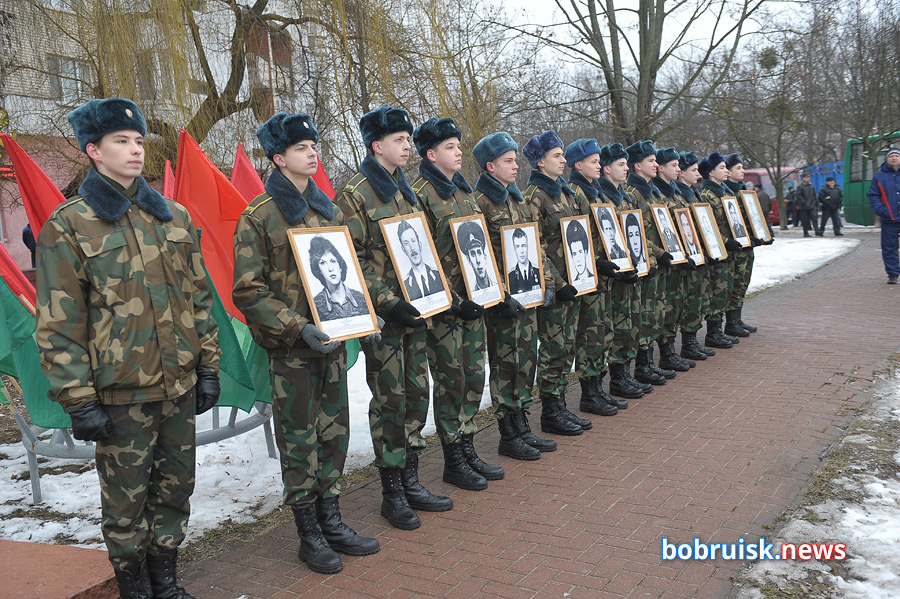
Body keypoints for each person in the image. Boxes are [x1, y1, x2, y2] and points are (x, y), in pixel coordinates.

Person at [36, 98, 221, 599]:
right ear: (93, 150)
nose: (136, 150)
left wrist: (208, 365)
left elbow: (199, 298)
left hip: (178, 386)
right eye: (122, 141)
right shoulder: (70, 225)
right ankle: (134, 588)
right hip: (121, 396)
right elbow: (59, 324)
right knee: (125, 503)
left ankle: (167, 582)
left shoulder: (173, 217)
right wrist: (78, 399)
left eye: (139, 141)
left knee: (174, 491)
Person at [234, 112, 380, 574]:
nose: (312, 153)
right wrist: (297, 327)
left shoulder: (327, 211)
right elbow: (247, 291)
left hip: (333, 344)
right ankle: (308, 534)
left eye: (314, 145)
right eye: (301, 148)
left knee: (334, 433)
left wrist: (363, 314)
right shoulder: (259, 216)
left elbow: (350, 269)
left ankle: (331, 518)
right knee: (299, 440)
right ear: (278, 159)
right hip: (293, 350)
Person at [337, 104, 452, 531]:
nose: (407, 146)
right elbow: (352, 259)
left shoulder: (406, 189)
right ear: (376, 145)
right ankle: (392, 493)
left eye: (408, 139)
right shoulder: (355, 193)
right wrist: (388, 302)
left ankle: (412, 479)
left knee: (415, 394)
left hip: (416, 311)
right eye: (400, 140)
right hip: (386, 320)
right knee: (390, 401)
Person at [411, 117, 502, 492]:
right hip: (447, 309)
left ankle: (467, 446)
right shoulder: (421, 194)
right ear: (431, 154)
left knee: (472, 377)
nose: (458, 151)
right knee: (451, 380)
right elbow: (420, 257)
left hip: (474, 305)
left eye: (458, 145)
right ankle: (453, 458)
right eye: (450, 147)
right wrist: (452, 300)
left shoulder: (463, 194)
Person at [472, 132, 556, 460]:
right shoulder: (481, 201)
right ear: (490, 166)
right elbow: (477, 256)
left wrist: (545, 283)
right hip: (503, 301)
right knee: (506, 365)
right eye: (507, 161)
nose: (515, 166)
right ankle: (508, 433)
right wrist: (500, 295)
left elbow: (533, 246)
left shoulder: (516, 199)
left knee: (526, 361)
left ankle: (522, 425)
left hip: (528, 294)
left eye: (515, 159)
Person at [523, 130, 593, 436]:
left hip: (575, 283)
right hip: (554, 288)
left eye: (563, 155)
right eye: (556, 156)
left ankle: (561, 405)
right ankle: (550, 411)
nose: (563, 160)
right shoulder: (533, 197)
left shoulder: (567, 193)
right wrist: (557, 281)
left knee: (565, 348)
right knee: (552, 349)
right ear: (540, 162)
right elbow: (534, 246)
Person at [566, 138, 624, 417]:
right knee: (589, 335)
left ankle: (598, 389)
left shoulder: (596, 191)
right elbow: (577, 237)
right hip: (586, 273)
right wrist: (595, 262)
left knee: (601, 332)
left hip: (603, 274)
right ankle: (589, 394)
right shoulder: (577, 191)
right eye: (593, 161)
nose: (599, 165)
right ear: (578, 164)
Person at [597, 142, 650, 400]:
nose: (626, 168)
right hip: (613, 276)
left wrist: (651, 257)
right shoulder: (602, 198)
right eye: (620, 164)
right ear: (607, 169)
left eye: (626, 163)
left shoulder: (624, 196)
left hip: (630, 272)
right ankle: (617, 378)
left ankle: (624, 375)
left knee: (629, 324)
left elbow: (635, 236)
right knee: (615, 327)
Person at [625, 140, 675, 387]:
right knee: (643, 314)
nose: (656, 165)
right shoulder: (633, 193)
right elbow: (637, 232)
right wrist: (657, 253)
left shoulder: (652, 190)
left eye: (656, 160)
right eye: (651, 161)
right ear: (638, 166)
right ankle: (642, 366)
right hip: (645, 263)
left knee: (654, 312)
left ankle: (647, 362)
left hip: (657, 263)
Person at [651, 146, 695, 373]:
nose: (679, 169)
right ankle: (663, 355)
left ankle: (669, 353)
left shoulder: (670, 193)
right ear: (661, 167)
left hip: (675, 261)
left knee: (673, 306)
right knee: (660, 310)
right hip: (658, 264)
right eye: (674, 165)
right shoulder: (651, 193)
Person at [699, 152, 744, 349]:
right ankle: (713, 332)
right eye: (722, 168)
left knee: (725, 290)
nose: (726, 171)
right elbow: (708, 227)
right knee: (716, 292)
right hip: (718, 252)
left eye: (727, 167)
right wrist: (726, 242)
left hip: (729, 251)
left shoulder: (724, 192)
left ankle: (724, 327)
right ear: (710, 173)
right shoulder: (707, 195)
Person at [675, 151, 716, 362]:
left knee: (699, 297)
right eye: (693, 170)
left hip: (699, 255)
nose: (698, 174)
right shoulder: (680, 195)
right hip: (688, 257)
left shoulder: (693, 193)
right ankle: (688, 343)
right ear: (681, 173)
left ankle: (692, 341)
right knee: (690, 299)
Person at [309, 235, 370, 321]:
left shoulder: (361, 298)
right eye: (323, 263)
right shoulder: (315, 304)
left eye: (333, 261)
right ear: (319, 271)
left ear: (340, 266)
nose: (330, 268)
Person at [868, 147, 900, 284]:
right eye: (891, 156)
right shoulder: (879, 176)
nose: (894, 158)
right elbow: (873, 195)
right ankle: (892, 273)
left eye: (897, 156)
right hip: (889, 218)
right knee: (889, 248)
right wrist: (881, 210)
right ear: (887, 159)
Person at [398, 220, 444, 299]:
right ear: (403, 250)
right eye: (406, 243)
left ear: (419, 245)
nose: (412, 248)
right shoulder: (405, 283)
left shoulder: (438, 274)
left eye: (413, 241)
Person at [457, 221, 494, 290]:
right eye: (473, 254)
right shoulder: (472, 293)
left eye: (479, 253)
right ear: (469, 260)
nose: (478, 261)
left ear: (485, 257)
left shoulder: (498, 288)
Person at [508, 228, 542, 293]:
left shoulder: (538, 271)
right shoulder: (510, 276)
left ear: (527, 246)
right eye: (517, 246)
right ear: (514, 249)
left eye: (523, 246)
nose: (521, 251)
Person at [796, 171, 820, 237]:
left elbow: (814, 195)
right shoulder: (800, 187)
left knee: (814, 218)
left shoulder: (811, 185)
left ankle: (817, 231)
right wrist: (804, 202)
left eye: (808, 177)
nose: (808, 178)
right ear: (803, 178)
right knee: (805, 220)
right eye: (807, 177)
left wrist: (816, 204)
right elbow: (799, 196)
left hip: (812, 205)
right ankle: (805, 232)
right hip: (804, 207)